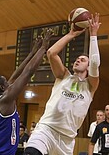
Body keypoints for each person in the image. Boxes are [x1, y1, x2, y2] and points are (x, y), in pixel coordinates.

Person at [24, 13, 101, 155]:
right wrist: (71, 34)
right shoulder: (63, 76)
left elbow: (95, 63)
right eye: (77, 59)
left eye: (83, 60)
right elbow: (52, 53)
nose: (78, 60)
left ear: (89, 67)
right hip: (46, 130)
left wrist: (93, 34)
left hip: (66, 140)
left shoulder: (90, 86)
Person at [0, 29, 54, 155]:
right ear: (2, 88)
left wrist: (32, 52)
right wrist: (44, 47)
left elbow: (16, 74)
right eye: (6, 82)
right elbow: (28, 72)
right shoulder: (5, 100)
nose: (10, 82)